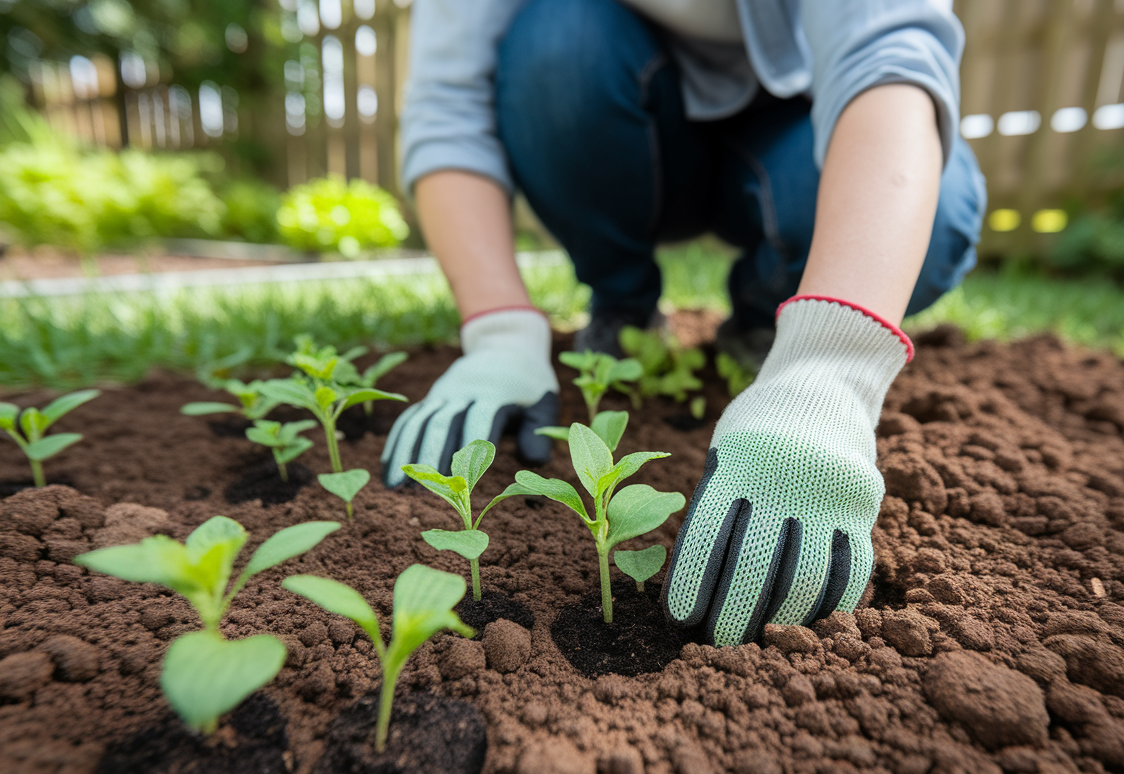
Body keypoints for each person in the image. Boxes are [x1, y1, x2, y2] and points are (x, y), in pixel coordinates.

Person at [381, 0, 986, 647]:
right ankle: (623, 306)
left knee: (939, 215)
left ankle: (771, 324)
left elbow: (889, 50)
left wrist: (833, 363)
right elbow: (448, 107)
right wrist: (498, 329)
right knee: (557, 43)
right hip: (625, 113)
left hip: (801, 124)